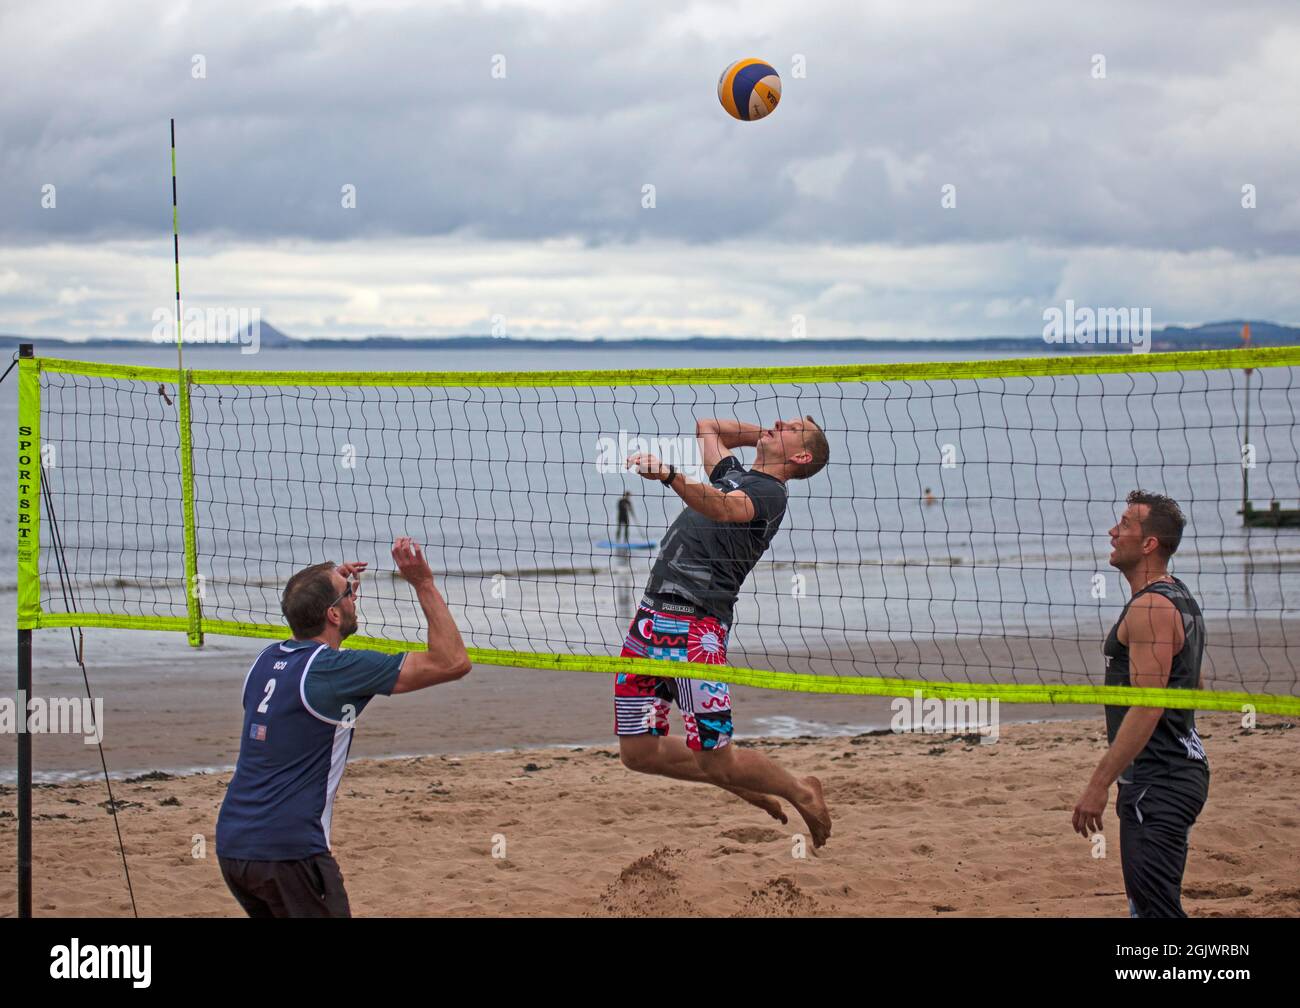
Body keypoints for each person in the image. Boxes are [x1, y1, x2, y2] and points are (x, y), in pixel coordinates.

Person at [215, 537, 470, 917]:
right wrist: (423, 583)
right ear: (333, 616)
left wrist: (332, 586)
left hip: (234, 846)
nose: (354, 601)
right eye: (348, 598)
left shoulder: (265, 661)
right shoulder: (338, 670)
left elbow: (308, 602)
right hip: (288, 853)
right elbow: (452, 662)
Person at [618, 416, 833, 847]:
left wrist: (670, 475)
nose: (776, 422)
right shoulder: (736, 475)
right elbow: (708, 427)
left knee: (717, 757)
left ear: (801, 457)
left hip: (695, 626)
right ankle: (731, 776)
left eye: (790, 427)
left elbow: (721, 507)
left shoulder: (769, 494)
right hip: (650, 618)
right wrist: (767, 438)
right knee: (638, 754)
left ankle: (799, 790)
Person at [1072, 491, 1210, 917]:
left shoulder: (1150, 606)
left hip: (1160, 779)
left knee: (1155, 913)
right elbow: (1193, 685)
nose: (1113, 533)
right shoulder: (1178, 594)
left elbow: (1148, 707)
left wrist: (1098, 784)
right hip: (1175, 770)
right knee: (1149, 908)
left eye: (1126, 525)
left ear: (1149, 544)